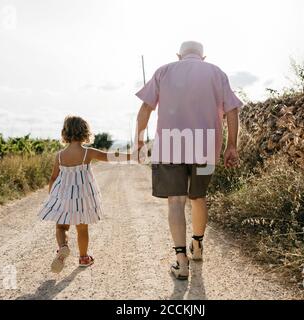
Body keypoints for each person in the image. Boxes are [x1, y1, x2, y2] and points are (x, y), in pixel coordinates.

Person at [135, 41, 244, 280]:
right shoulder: (216, 72)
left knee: (175, 201)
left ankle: (181, 260)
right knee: (198, 198)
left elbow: (146, 107)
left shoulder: (164, 70)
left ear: (178, 55)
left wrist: (140, 140)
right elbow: (233, 110)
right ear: (203, 57)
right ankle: (197, 245)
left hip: (170, 146)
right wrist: (231, 146)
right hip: (205, 147)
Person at [38, 115, 133, 273]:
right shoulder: (87, 153)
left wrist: (52, 196)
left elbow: (53, 177)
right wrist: (131, 156)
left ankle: (63, 247)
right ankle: (83, 258)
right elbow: (110, 157)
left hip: (63, 196)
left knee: (61, 226)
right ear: (85, 132)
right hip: (82, 197)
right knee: (82, 228)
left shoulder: (60, 155)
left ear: (65, 133)